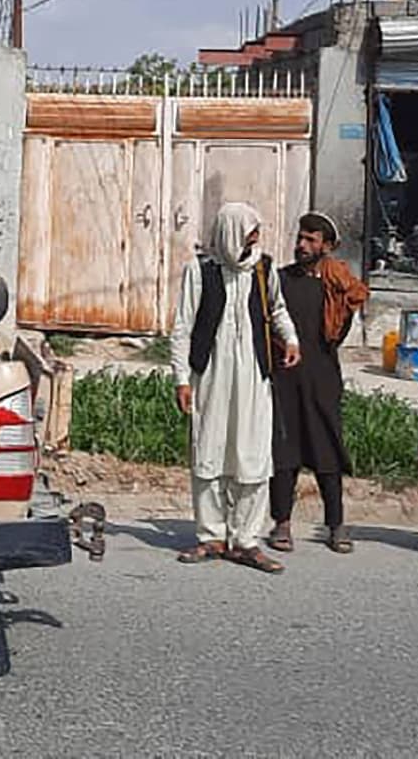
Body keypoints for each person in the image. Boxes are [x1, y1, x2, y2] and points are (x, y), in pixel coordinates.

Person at [169, 203, 301, 573]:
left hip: (253, 374)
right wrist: (181, 378)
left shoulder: (264, 268)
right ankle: (211, 536)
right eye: (249, 231)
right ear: (231, 234)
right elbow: (183, 327)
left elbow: (277, 310)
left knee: (253, 455)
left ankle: (246, 541)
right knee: (208, 450)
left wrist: (290, 340)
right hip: (210, 374)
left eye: (255, 231)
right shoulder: (200, 271)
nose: (255, 238)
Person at [269, 212, 370, 555]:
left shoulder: (336, 287)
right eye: (301, 237)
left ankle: (336, 525)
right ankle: (281, 523)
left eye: (311, 240)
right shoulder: (279, 280)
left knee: (327, 449)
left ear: (327, 246)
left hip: (322, 376)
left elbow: (337, 333)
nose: (302, 245)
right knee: (284, 450)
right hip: (284, 376)